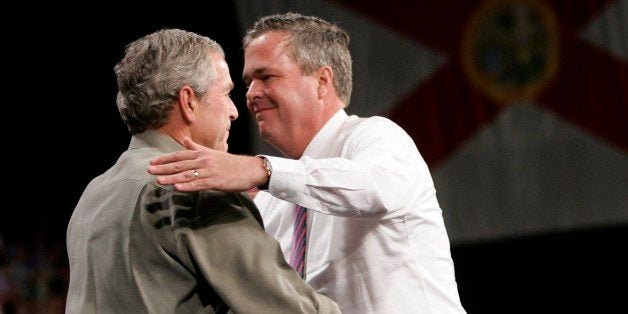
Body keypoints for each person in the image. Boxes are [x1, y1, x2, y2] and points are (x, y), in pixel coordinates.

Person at [149, 13, 466, 314]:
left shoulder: (375, 136)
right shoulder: (276, 200)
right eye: (249, 82)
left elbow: (376, 188)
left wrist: (260, 169)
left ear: (322, 81)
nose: (252, 94)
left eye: (267, 77)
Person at [66, 28, 340, 313]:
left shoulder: (93, 195)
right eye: (225, 93)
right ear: (188, 102)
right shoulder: (195, 187)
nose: (234, 110)